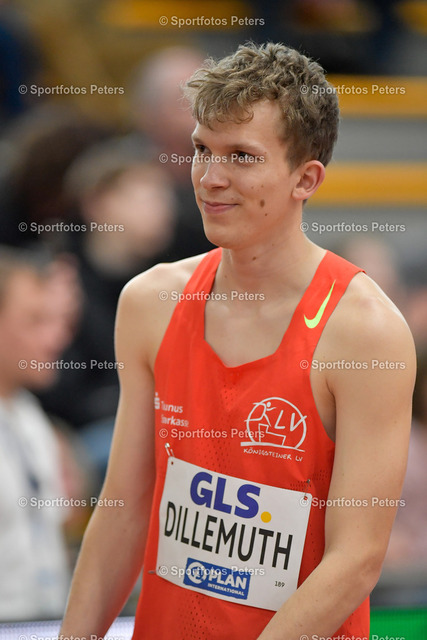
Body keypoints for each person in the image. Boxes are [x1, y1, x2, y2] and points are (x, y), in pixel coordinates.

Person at [59, 42, 415, 640]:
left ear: (306, 178)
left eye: (242, 156)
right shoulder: (150, 302)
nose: (211, 178)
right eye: (202, 149)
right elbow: (123, 512)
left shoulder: (365, 331)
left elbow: (356, 559)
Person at [0, 246, 76, 620]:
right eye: (36, 320)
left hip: (43, 620)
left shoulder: (32, 419)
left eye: (58, 322)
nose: (56, 338)